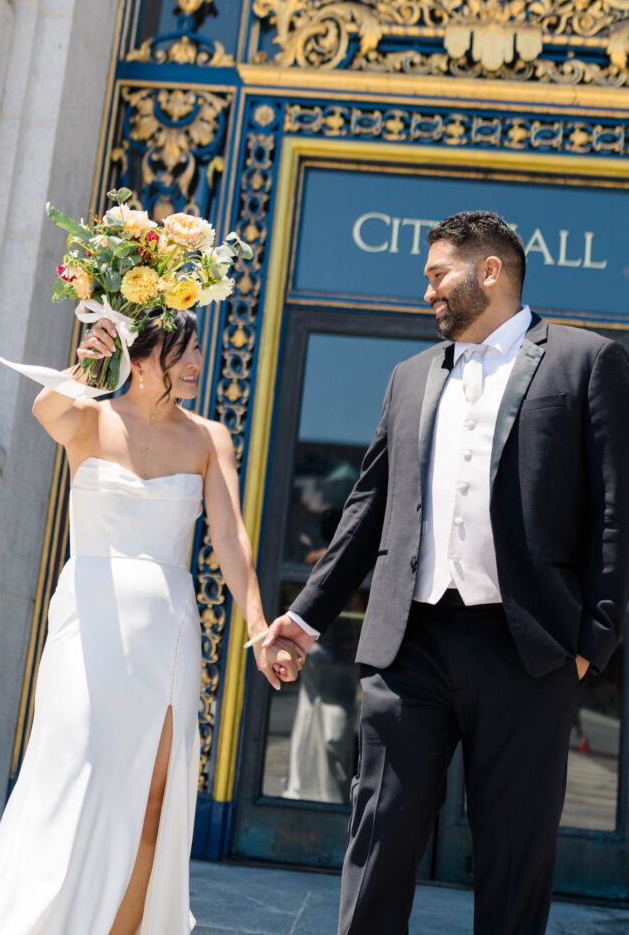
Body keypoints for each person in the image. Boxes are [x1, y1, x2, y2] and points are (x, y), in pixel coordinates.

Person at [264, 210, 629, 935]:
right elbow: (364, 512)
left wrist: (593, 638)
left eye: (437, 274)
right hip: (409, 646)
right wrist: (302, 618)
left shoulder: (585, 361)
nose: (426, 289)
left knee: (513, 851)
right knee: (379, 835)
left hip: (527, 651)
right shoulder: (407, 377)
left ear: (487, 271)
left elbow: (616, 510)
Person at [0, 311, 301, 935]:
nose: (199, 359)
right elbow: (45, 411)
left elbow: (228, 536)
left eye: (198, 346)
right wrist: (91, 358)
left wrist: (257, 629)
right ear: (140, 357)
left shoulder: (209, 438)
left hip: (166, 635)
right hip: (85, 626)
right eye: (186, 349)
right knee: (66, 784)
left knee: (152, 800)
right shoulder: (87, 418)